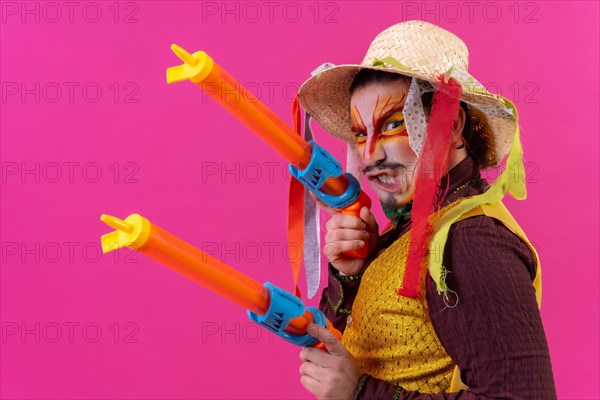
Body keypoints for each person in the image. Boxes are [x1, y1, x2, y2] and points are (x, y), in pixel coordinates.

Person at [295, 20, 556, 399]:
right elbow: (348, 355)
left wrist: (361, 392)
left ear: (450, 126)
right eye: (362, 134)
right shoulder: (407, 233)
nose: (370, 155)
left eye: (394, 124)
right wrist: (352, 273)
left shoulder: (472, 241)